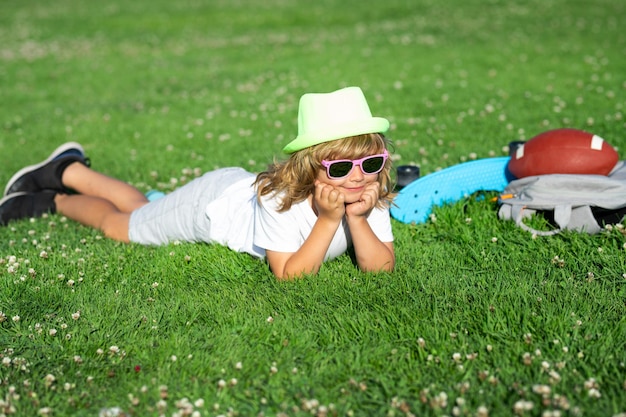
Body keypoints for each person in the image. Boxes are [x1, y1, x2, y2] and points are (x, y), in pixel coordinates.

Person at [0, 86, 395, 279]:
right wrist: (328, 221)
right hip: (209, 207)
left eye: (371, 162)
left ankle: (68, 168)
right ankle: (54, 196)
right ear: (311, 168)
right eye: (341, 168)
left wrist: (358, 220)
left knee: (141, 209)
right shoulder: (279, 200)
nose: (358, 176)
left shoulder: (368, 195)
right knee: (124, 226)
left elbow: (381, 269)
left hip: (225, 194)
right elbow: (289, 275)